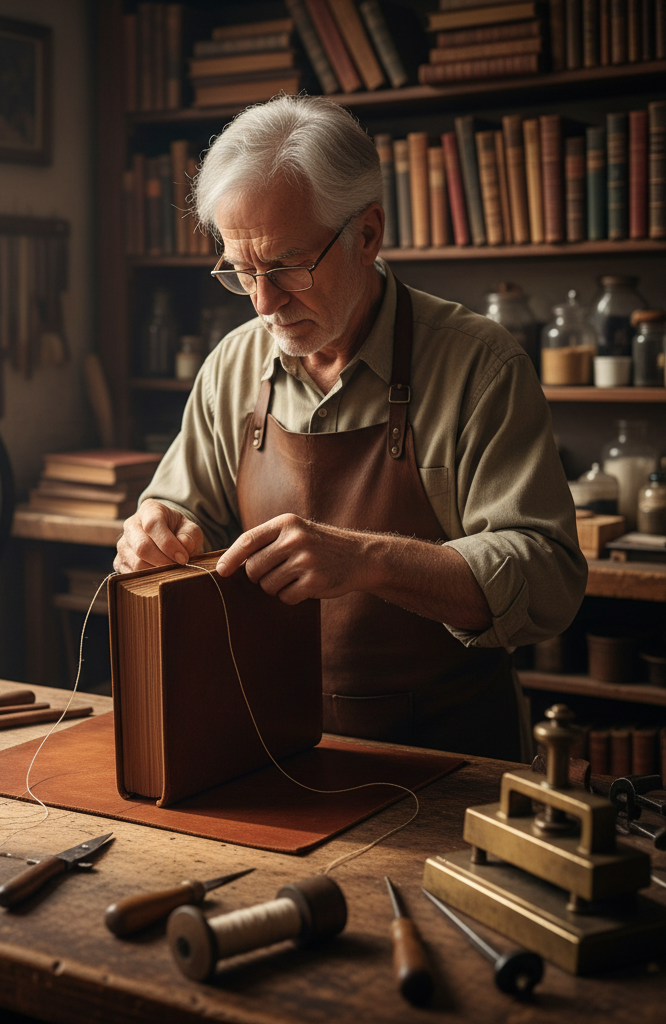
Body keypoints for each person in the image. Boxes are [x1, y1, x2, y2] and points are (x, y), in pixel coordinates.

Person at [114, 96, 587, 761]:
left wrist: (366, 559)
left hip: (446, 760)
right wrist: (154, 532)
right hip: (270, 749)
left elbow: (549, 581)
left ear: (368, 234)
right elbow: (180, 512)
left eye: (286, 266)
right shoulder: (232, 366)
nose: (263, 302)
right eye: (241, 271)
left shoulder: (480, 364)